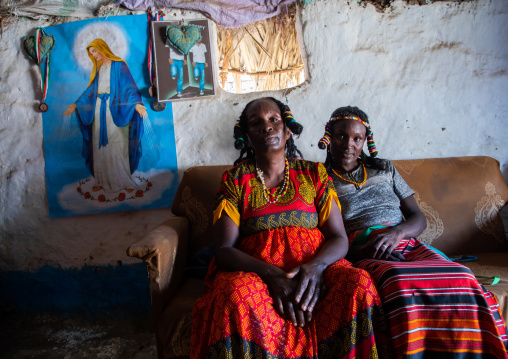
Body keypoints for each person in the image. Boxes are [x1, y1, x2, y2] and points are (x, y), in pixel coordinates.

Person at [191, 98, 392, 359]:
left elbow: (339, 238)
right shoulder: (235, 180)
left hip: (316, 269)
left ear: (287, 131)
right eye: (256, 123)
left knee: (359, 284)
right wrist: (273, 276)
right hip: (259, 273)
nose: (266, 127)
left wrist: (315, 268)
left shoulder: (315, 174)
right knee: (235, 294)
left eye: (274, 120)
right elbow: (225, 249)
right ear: (246, 137)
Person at [319, 106, 508, 359]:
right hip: (364, 249)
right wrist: (364, 249)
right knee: (399, 282)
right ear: (329, 135)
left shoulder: (385, 169)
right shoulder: (319, 178)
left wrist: (396, 234)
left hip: (405, 242)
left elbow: (418, 218)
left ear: (366, 140)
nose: (348, 144)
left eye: (357, 138)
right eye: (341, 136)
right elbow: (326, 237)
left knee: (461, 275)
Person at [63, 38, 147, 194]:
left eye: (94, 51)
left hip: (115, 111)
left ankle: (122, 180)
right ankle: (101, 180)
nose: (93, 55)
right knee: (99, 146)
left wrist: (136, 104)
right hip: (98, 110)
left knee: (116, 144)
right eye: (91, 52)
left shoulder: (119, 65)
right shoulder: (99, 68)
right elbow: (91, 90)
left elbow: (129, 87)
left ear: (102, 48)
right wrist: (76, 105)